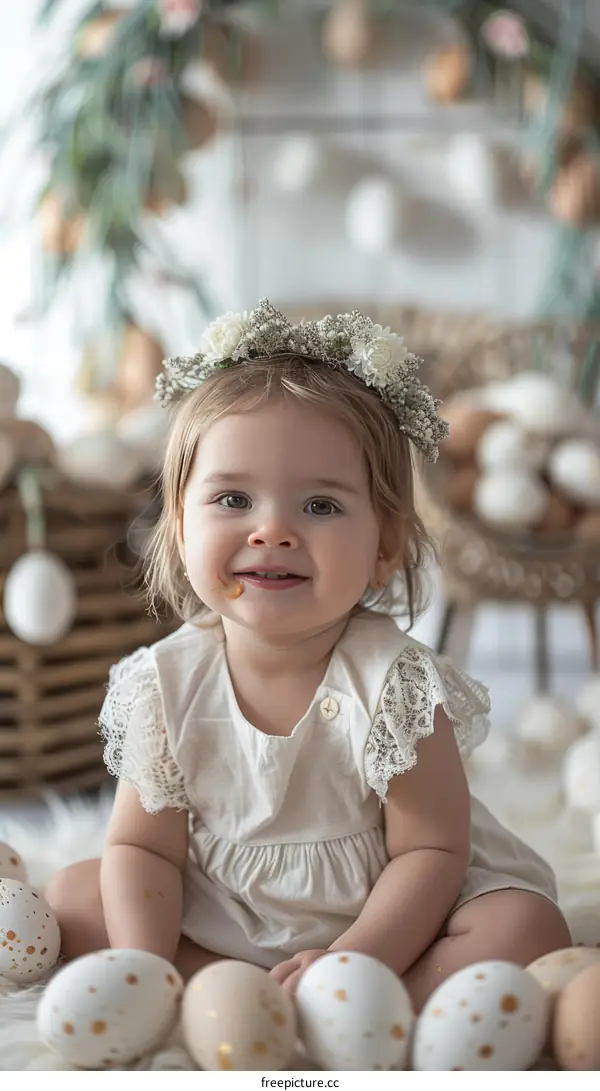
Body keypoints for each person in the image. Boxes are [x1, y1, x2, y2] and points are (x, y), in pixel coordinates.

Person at [46, 300, 570, 1012]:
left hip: (390, 917)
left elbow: (429, 853)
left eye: (320, 506)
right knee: (79, 892)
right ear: (178, 523)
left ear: (384, 545)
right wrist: (142, 964)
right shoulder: (164, 682)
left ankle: (354, 1002)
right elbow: (146, 849)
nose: (273, 531)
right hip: (229, 906)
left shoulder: (394, 684)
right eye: (233, 498)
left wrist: (356, 959)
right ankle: (214, 993)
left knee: (525, 927)